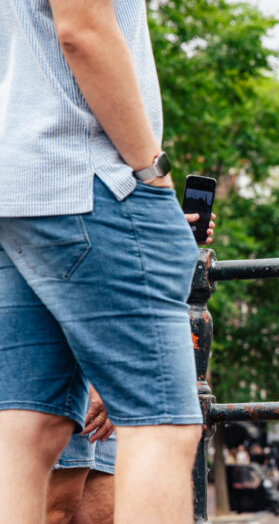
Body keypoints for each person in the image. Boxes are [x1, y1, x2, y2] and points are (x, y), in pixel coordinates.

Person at [0, 0, 206, 522]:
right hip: (86, 175)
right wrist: (151, 171)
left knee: (26, 425)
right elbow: (82, 28)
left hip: (17, 183)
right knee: (162, 423)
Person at [45, 213, 214, 524]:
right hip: (70, 339)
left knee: (101, 511)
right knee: (54, 506)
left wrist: (167, 232)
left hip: (114, 345)